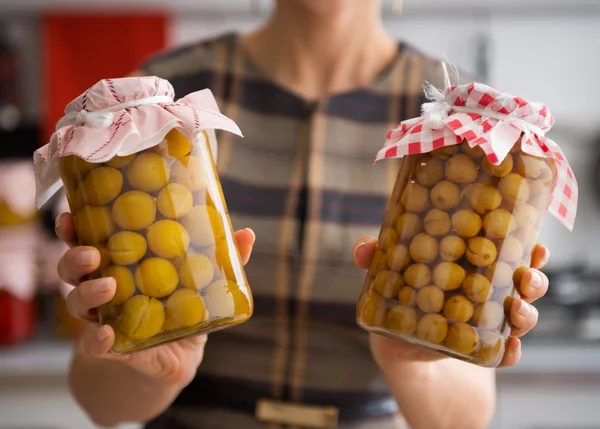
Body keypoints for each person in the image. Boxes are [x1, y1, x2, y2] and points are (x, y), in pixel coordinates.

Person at [56, 1, 551, 428]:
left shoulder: (458, 122)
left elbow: (466, 417)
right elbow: (99, 401)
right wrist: (149, 364)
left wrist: (411, 361)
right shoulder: (159, 100)